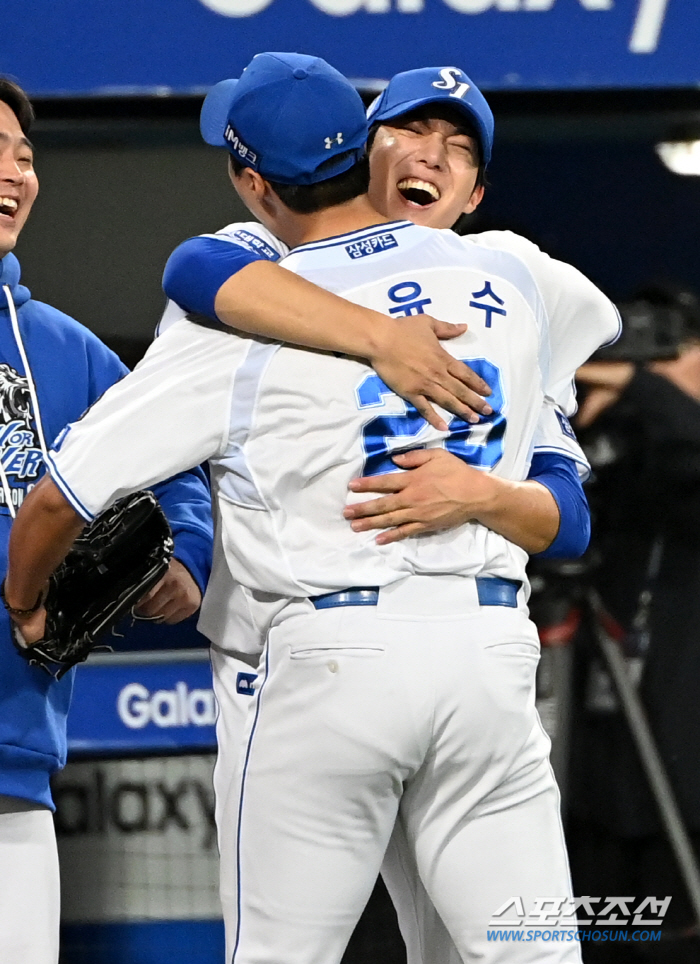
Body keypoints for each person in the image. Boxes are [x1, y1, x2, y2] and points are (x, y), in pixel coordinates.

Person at [4, 53, 620, 963]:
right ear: (365, 153)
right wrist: (383, 338)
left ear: (255, 179)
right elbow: (199, 262)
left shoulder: (255, 311)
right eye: (409, 129)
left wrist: (24, 601)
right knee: (531, 951)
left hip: (327, 658)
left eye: (456, 145)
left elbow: (66, 492)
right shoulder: (513, 282)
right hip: (484, 655)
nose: (429, 155)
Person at [0, 78, 214, 964]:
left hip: (11, 774)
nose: (15, 173)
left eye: (23, 155)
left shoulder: (63, 348)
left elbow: (184, 483)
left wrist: (183, 562)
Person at [566, 287, 700, 963]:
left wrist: (647, 387)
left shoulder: (680, 444)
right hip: (603, 770)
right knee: (608, 935)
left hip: (685, 787)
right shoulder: (630, 459)